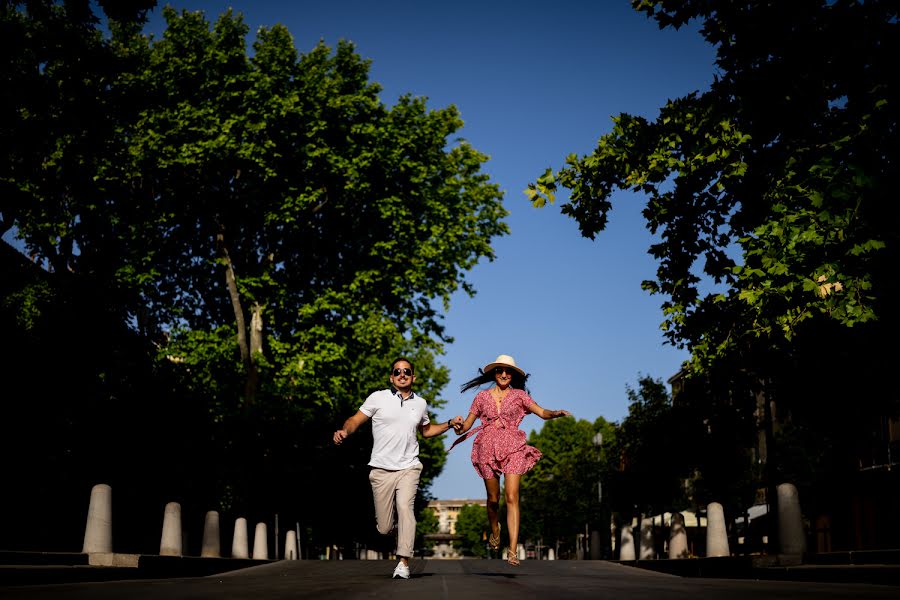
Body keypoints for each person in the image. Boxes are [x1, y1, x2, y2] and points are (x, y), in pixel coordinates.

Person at [334, 357, 463, 579]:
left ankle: (403, 562)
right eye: (397, 371)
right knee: (384, 527)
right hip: (381, 469)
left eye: (406, 371)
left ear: (413, 377)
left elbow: (427, 430)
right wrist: (345, 431)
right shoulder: (378, 398)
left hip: (409, 467)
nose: (402, 374)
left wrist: (450, 424)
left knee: (405, 508)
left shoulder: (420, 403)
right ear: (391, 377)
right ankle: (397, 531)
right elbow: (355, 420)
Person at [451, 354, 571, 565]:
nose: (504, 374)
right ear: (494, 373)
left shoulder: (520, 396)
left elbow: (542, 412)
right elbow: (467, 425)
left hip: (514, 447)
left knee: (512, 497)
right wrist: (458, 425)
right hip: (486, 448)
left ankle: (513, 549)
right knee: (493, 500)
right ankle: (495, 528)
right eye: (500, 370)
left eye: (508, 371)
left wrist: (555, 413)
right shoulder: (481, 398)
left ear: (513, 376)